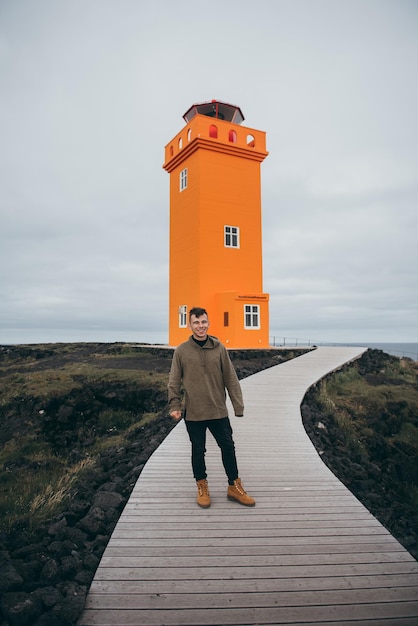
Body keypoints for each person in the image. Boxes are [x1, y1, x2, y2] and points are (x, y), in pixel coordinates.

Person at [168, 306, 255, 508]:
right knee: (198, 450)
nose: (201, 326)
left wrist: (237, 405)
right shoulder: (181, 351)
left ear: (208, 323)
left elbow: (231, 378)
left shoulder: (219, 348)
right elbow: (173, 381)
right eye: (196, 322)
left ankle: (234, 486)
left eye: (204, 322)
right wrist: (174, 404)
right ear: (190, 325)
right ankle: (202, 486)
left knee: (228, 447)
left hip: (217, 410)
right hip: (194, 412)